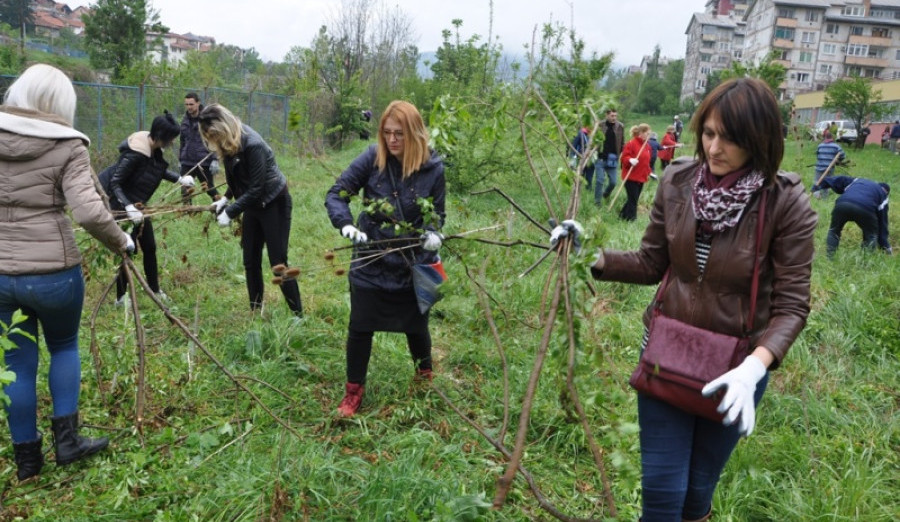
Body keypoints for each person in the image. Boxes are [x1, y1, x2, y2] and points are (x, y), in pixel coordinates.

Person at [553, 78, 817, 521]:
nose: (714, 149)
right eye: (709, 133)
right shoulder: (678, 181)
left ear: (760, 140)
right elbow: (650, 262)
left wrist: (754, 369)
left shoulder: (785, 204)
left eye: (731, 139)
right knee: (662, 495)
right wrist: (589, 255)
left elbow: (792, 304)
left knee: (696, 493)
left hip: (736, 369)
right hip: (667, 356)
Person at [0, 64, 135, 481]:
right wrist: (123, 242)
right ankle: (68, 442)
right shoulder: (67, 144)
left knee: (16, 363)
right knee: (63, 347)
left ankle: (27, 460)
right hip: (55, 272)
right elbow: (90, 212)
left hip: (1, 274)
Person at [325, 100, 446, 418]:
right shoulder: (372, 158)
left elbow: (438, 213)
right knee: (360, 325)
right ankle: (354, 392)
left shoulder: (434, 168)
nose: (392, 140)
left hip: (412, 260)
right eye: (387, 133)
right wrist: (346, 224)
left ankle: (424, 378)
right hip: (372, 257)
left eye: (400, 134)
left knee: (417, 325)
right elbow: (337, 192)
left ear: (415, 134)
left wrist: (434, 232)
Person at [197, 103, 303, 317]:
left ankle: (297, 315)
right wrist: (225, 199)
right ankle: (256, 311)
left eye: (214, 135)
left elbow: (256, 187)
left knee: (278, 264)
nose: (213, 141)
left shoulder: (252, 144)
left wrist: (231, 211)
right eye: (209, 137)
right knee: (250, 261)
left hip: (274, 203)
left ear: (223, 127)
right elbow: (239, 179)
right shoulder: (228, 144)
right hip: (254, 205)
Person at [100, 111, 194, 306]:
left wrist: (179, 179)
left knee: (150, 247)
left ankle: (154, 289)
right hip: (122, 206)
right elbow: (115, 183)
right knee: (128, 250)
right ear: (161, 136)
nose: (172, 143)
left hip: (139, 206)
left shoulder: (152, 150)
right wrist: (128, 207)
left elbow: (156, 170)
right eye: (171, 139)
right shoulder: (135, 154)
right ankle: (120, 297)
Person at [820, 176, 891, 257]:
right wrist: (886, 246)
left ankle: (829, 258)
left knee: (834, 231)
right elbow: (882, 223)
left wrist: (820, 185)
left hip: (842, 204)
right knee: (871, 235)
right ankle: (866, 262)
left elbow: (837, 180)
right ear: (886, 192)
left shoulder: (858, 180)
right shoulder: (883, 196)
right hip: (865, 208)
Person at [179, 92, 219, 204]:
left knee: (209, 188)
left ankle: (221, 208)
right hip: (187, 161)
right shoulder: (185, 120)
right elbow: (182, 140)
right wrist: (180, 159)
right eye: (186, 104)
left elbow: (215, 139)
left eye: (191, 104)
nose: (188, 107)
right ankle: (187, 214)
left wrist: (215, 159)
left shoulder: (206, 119)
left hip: (204, 161)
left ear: (198, 103)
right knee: (185, 189)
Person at [618, 123, 652, 221]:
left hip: (641, 177)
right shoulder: (631, 143)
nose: (648, 136)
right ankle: (632, 220)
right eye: (647, 133)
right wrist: (630, 160)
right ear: (641, 133)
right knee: (633, 200)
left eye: (649, 134)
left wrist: (649, 172)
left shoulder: (647, 146)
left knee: (633, 199)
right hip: (631, 177)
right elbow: (624, 157)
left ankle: (622, 216)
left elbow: (646, 162)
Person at [595, 109, 624, 206]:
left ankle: (606, 194)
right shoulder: (600, 125)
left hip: (613, 158)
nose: (614, 118)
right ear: (606, 115)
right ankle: (597, 202)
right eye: (612, 116)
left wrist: (622, 153)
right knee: (600, 180)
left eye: (615, 115)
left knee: (613, 182)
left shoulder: (620, 126)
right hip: (600, 157)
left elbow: (622, 142)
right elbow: (594, 139)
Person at [812, 130, 845, 196]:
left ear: (825, 138)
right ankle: (825, 197)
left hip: (819, 167)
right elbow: (843, 155)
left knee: (816, 181)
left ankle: (816, 196)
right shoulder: (836, 146)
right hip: (829, 168)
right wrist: (838, 161)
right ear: (832, 138)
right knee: (827, 182)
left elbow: (818, 155)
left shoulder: (820, 145)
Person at [570, 124, 595, 189]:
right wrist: (572, 159)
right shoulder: (580, 134)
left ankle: (588, 192)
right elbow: (574, 147)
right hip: (581, 159)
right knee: (580, 176)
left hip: (591, 160)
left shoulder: (594, 135)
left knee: (589, 178)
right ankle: (577, 191)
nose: (590, 128)